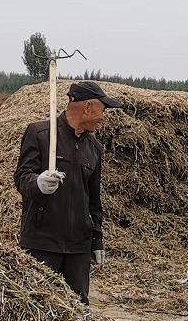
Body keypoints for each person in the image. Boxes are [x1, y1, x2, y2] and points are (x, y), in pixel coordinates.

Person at [14, 80, 123, 304]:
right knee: (38, 307)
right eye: (102, 110)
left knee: (77, 310)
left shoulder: (94, 148)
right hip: (42, 243)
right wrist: (38, 183)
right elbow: (21, 178)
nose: (103, 117)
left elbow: (94, 200)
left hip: (78, 247)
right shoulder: (41, 134)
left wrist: (96, 240)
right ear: (88, 107)